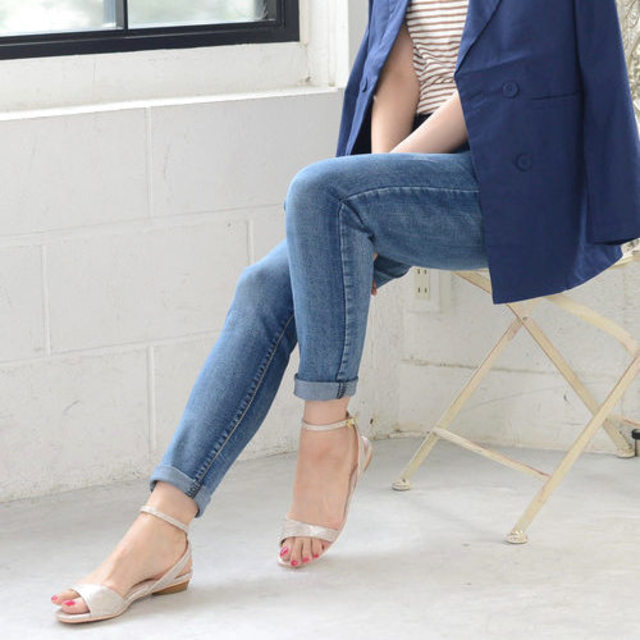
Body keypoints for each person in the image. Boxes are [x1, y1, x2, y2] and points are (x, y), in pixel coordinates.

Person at [52, 0, 483, 623]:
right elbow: (396, 72)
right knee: (265, 285)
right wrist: (379, 181)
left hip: (512, 183)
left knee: (320, 190)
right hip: (417, 172)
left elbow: (499, 86)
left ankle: (327, 440)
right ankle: (162, 527)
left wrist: (374, 191)